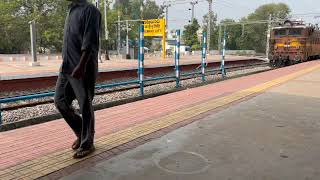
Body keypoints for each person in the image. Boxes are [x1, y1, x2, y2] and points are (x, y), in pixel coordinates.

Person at [54, 0, 101, 159]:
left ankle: (88, 143)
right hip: (66, 66)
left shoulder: (91, 11)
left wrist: (81, 66)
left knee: (85, 105)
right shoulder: (71, 10)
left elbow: (90, 42)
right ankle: (82, 132)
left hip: (82, 67)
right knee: (60, 101)